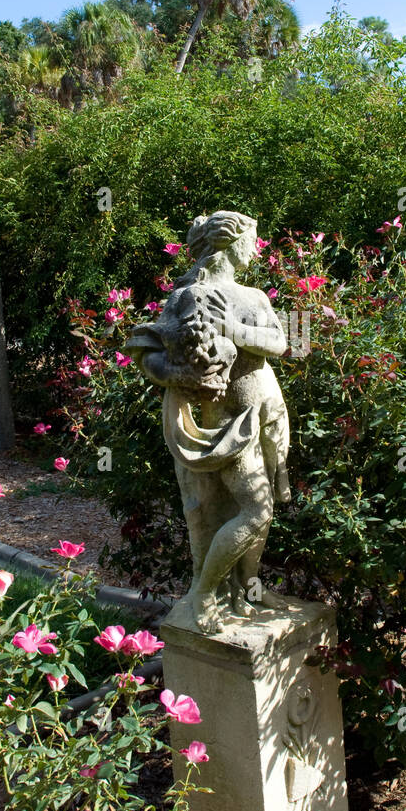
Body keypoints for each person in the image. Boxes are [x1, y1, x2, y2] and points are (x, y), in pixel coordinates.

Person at [125, 210, 291, 631]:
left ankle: (249, 586)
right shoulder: (187, 298)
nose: (255, 249)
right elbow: (148, 352)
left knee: (260, 505)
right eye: (251, 240)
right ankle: (206, 593)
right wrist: (180, 374)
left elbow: (279, 342)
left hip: (264, 410)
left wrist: (232, 327)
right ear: (227, 242)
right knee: (252, 509)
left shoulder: (254, 297)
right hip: (224, 422)